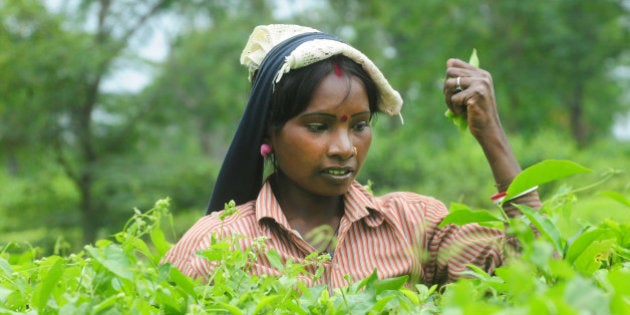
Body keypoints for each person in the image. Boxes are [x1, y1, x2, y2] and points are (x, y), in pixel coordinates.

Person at [162, 24, 541, 288]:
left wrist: (490, 134)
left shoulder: (414, 226)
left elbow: (538, 271)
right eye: (317, 126)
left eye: (359, 125)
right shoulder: (216, 245)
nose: (345, 148)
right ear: (268, 132)